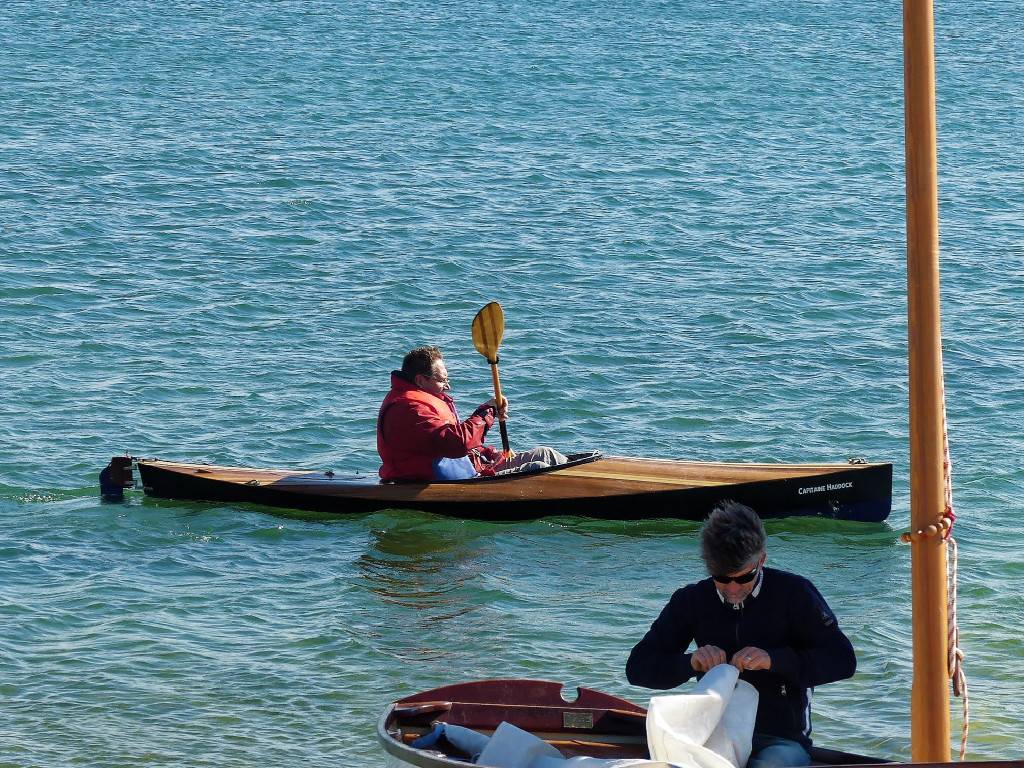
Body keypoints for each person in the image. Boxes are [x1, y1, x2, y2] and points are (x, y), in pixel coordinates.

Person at [625, 501, 856, 768]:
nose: (733, 589)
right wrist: (690, 663)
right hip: (711, 731)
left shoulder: (795, 593)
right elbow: (638, 668)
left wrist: (774, 660)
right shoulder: (691, 600)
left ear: (762, 560)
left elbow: (842, 659)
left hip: (779, 738)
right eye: (722, 579)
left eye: (744, 578)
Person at [377, 346, 568, 482]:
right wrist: (487, 412)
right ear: (420, 380)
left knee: (546, 454)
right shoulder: (409, 409)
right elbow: (456, 443)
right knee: (539, 469)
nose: (447, 386)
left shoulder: (421, 401)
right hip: (450, 483)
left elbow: (455, 448)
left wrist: (489, 453)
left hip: (474, 470)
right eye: (442, 380)